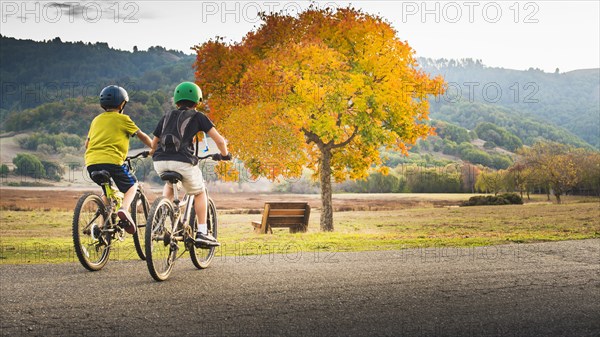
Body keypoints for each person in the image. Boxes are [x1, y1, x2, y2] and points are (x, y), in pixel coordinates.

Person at [150, 81, 230, 247]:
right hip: (182, 162)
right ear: (198, 101)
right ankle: (202, 232)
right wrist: (225, 155)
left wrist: (152, 153)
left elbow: (154, 144)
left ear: (176, 100)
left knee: (170, 186)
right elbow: (220, 141)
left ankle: (159, 218)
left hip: (160, 162)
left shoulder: (166, 116)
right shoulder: (198, 116)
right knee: (200, 192)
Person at [85, 85, 153, 234]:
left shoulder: (96, 120)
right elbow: (142, 135)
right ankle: (124, 211)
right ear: (122, 104)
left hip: (91, 163)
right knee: (132, 186)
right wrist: (155, 148)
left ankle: (103, 227)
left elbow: (87, 144)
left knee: (106, 191)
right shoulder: (123, 119)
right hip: (113, 161)